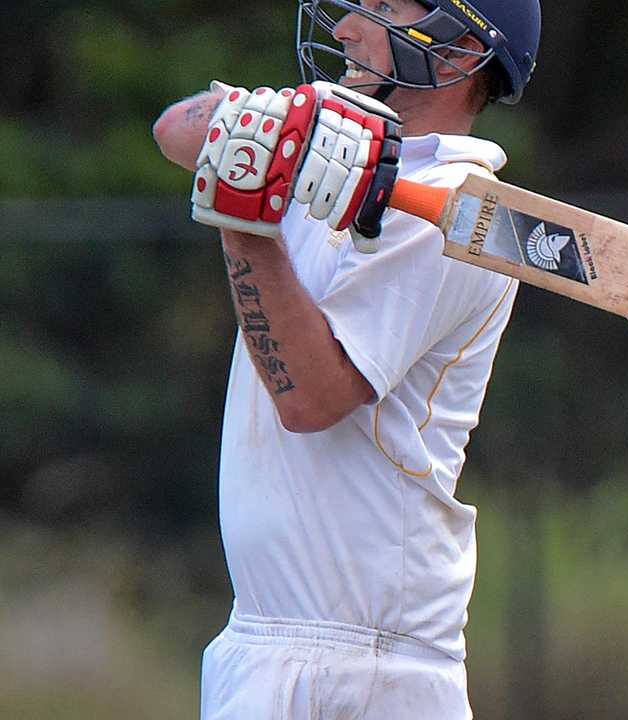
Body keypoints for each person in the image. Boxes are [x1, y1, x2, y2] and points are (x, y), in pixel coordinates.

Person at [150, 0, 540, 716]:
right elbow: (173, 130)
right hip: (262, 643)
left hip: (368, 666)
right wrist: (275, 135)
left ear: (458, 52)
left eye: (384, 7)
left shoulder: (465, 211)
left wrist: (247, 218)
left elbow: (311, 397)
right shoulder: (333, 140)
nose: (344, 29)